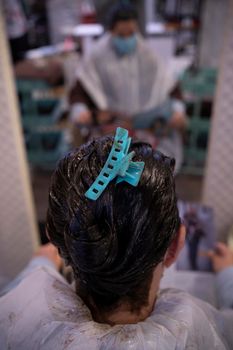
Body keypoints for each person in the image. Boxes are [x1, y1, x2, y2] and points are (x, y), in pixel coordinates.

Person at [0, 127, 233, 349]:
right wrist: (228, 276)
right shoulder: (197, 330)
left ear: (54, 237)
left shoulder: (19, 318)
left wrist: (39, 263)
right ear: (175, 246)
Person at [69, 2, 186, 131]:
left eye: (131, 33)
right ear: (111, 31)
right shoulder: (97, 56)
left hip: (147, 128)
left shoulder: (148, 55)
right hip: (110, 129)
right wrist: (80, 111)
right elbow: (80, 91)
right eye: (121, 34)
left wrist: (178, 110)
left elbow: (170, 86)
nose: (127, 39)